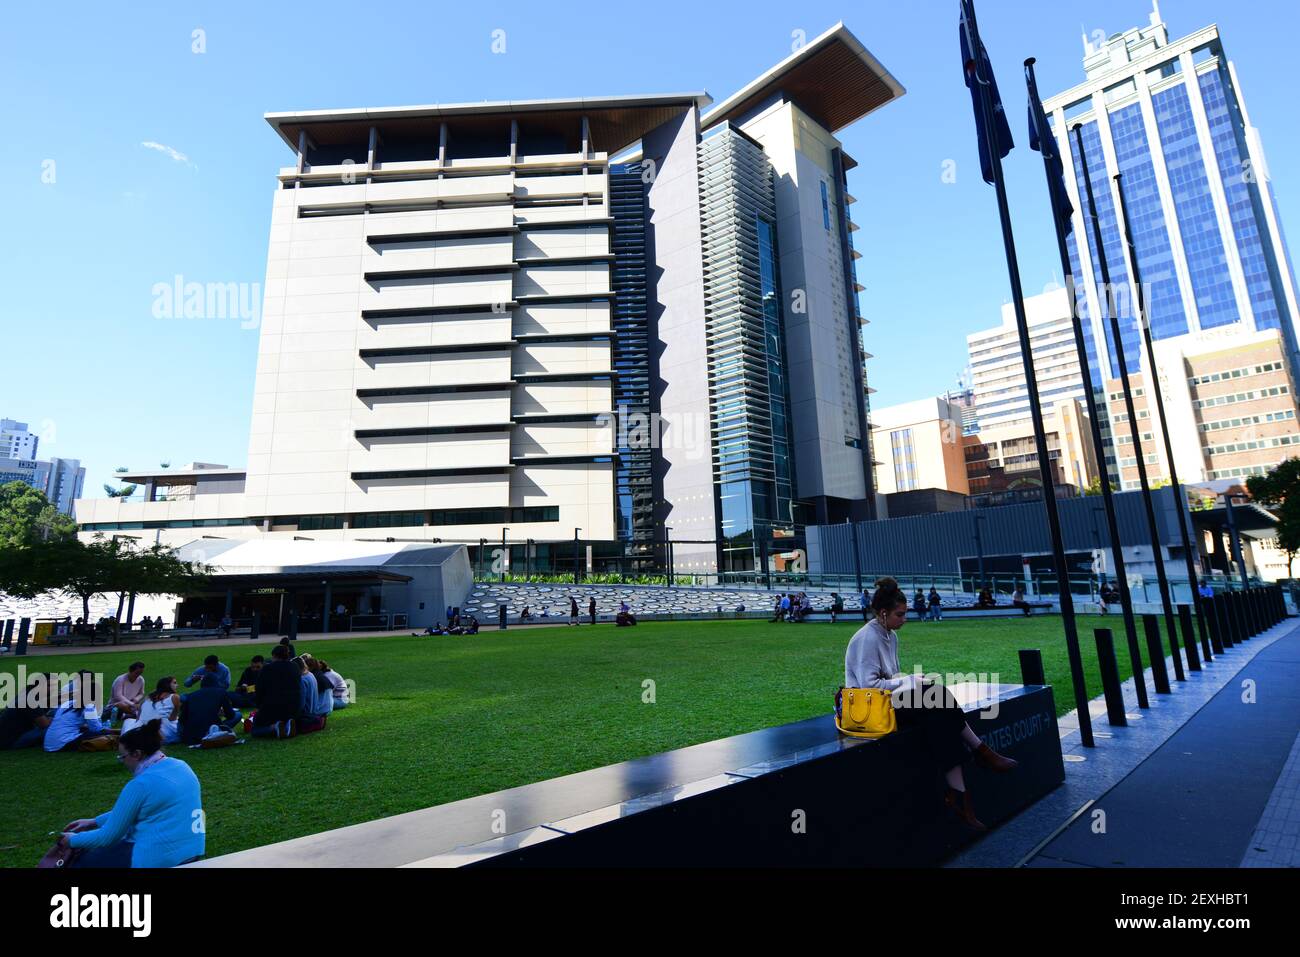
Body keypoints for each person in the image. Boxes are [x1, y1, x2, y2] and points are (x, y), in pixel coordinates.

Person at [845, 577, 1018, 831]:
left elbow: (891, 678)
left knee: (938, 715)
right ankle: (979, 755)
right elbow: (869, 688)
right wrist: (910, 681)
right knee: (936, 697)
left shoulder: (889, 635)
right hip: (869, 712)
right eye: (899, 614)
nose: (904, 619)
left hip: (886, 705)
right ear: (883, 613)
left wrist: (910, 681)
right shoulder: (867, 638)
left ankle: (960, 797)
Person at [59, 718, 205, 868]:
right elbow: (138, 809)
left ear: (136, 754)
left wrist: (71, 840)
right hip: (192, 851)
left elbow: (107, 837)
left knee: (82, 862)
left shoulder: (142, 784)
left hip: (158, 858)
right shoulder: (181, 766)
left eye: (122, 757)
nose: (122, 761)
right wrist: (94, 821)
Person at [45, 674, 117, 752]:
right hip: (63, 743)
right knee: (104, 736)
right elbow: (96, 729)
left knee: (89, 731)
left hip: (49, 743)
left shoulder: (68, 703)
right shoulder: (88, 706)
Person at [251, 644, 300, 738]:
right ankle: (286, 725)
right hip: (293, 706)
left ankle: (274, 728)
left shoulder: (267, 669)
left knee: (255, 730)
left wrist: (259, 705)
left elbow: (259, 690)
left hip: (272, 706)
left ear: (274, 656)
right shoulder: (295, 667)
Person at [178, 674, 241, 746]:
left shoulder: (191, 695)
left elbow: (182, 719)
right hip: (210, 730)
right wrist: (221, 713)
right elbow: (230, 715)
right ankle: (217, 731)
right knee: (238, 715)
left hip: (190, 736)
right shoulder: (221, 692)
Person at [1, 674, 52, 749]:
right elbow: (44, 724)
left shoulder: (26, 693)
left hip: (8, 735)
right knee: (55, 728)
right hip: (11, 741)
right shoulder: (30, 700)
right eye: (49, 686)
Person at [123, 677, 181, 744]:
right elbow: (172, 719)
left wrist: (136, 725)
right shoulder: (175, 697)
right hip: (162, 732)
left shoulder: (149, 696)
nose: (177, 685)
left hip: (142, 727)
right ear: (167, 685)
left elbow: (139, 716)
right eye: (174, 683)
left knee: (130, 722)